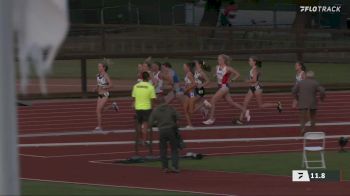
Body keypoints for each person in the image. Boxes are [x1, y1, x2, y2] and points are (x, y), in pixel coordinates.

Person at [203, 54, 249, 125]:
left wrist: (232, 80)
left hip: (225, 87)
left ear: (223, 60)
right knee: (231, 103)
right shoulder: (217, 67)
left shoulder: (228, 68)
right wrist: (213, 73)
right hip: (219, 86)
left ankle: (211, 118)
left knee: (213, 100)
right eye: (218, 59)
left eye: (219, 59)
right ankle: (245, 110)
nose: (218, 60)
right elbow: (216, 74)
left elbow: (237, 74)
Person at [238, 56, 283, 124]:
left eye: (250, 61)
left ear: (254, 62)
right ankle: (240, 119)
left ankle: (277, 104)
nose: (249, 62)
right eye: (249, 60)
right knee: (245, 103)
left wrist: (247, 81)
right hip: (252, 88)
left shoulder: (255, 69)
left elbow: (255, 80)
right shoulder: (253, 69)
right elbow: (257, 76)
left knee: (260, 105)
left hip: (257, 89)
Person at [149, 96, 181, 173]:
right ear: (165, 101)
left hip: (162, 131)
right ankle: (174, 166)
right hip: (171, 129)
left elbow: (150, 122)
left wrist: (157, 123)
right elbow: (179, 117)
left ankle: (165, 167)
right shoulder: (170, 108)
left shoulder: (155, 110)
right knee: (174, 149)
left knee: (163, 150)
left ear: (158, 102)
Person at [292, 71, 325, 135]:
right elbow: (322, 91)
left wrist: (297, 98)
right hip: (312, 102)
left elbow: (293, 91)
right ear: (313, 77)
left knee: (302, 117)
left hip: (302, 102)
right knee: (313, 117)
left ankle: (302, 129)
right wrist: (321, 98)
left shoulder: (300, 83)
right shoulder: (315, 83)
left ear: (306, 76)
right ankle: (312, 130)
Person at [132, 72, 156, 145]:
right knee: (145, 125)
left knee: (139, 124)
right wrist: (152, 108)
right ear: (148, 78)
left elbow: (134, 98)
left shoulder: (136, 86)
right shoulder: (151, 87)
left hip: (138, 107)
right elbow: (153, 100)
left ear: (142, 78)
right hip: (147, 108)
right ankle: (144, 141)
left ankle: (139, 139)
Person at [94, 60, 114, 132]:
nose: (98, 67)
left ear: (104, 68)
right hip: (99, 95)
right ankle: (112, 106)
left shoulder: (106, 75)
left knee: (98, 110)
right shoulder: (97, 75)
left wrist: (105, 87)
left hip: (105, 94)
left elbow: (111, 85)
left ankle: (99, 127)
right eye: (98, 66)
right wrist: (95, 88)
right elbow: (98, 83)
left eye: (100, 66)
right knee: (100, 110)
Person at [182, 62, 197, 128]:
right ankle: (190, 124)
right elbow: (188, 83)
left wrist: (186, 89)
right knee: (185, 109)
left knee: (191, 111)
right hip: (188, 93)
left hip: (192, 93)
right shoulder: (187, 74)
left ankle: (203, 105)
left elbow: (194, 84)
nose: (183, 68)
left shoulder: (189, 74)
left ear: (188, 67)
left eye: (184, 66)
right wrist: (184, 87)